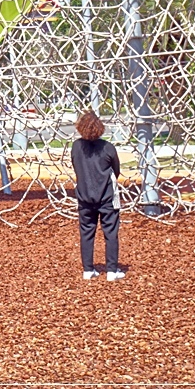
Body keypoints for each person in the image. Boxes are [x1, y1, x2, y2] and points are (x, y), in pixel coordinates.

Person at [71, 109, 124, 281]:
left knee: (86, 232)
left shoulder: (76, 147)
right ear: (100, 128)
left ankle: (88, 269)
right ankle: (112, 271)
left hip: (84, 197)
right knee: (110, 232)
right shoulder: (108, 148)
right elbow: (116, 171)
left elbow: (76, 167)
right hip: (107, 197)